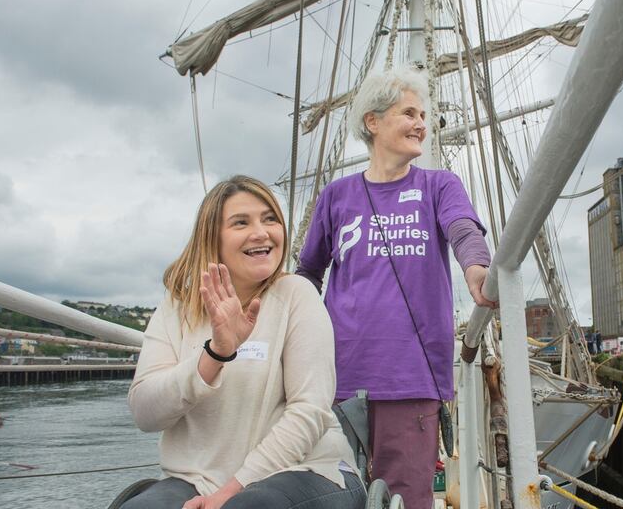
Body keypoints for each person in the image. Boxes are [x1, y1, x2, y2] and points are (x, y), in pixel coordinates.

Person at [297, 67, 496, 509]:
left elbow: (462, 228)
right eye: (409, 113)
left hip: (410, 380)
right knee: (334, 496)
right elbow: (307, 273)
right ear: (373, 122)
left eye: (423, 114)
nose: (421, 123)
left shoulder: (438, 185)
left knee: (405, 498)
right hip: (339, 379)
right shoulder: (336, 196)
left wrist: (476, 267)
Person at [125, 176, 364, 509]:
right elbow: (146, 414)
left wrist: (228, 494)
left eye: (270, 219)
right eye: (241, 223)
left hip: (307, 469)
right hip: (197, 479)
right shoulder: (176, 308)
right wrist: (216, 355)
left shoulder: (297, 295)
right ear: (212, 238)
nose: (262, 232)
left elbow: (308, 412)